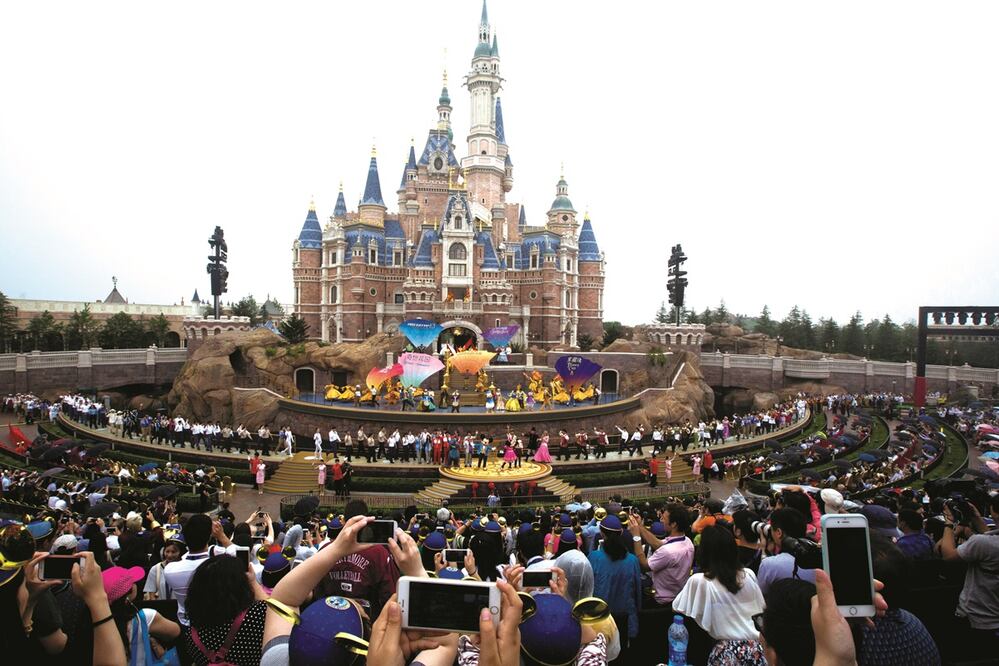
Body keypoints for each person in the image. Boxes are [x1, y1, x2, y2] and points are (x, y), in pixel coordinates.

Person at [672, 525, 767, 665]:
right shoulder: (748, 574)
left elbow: (677, 607)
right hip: (758, 650)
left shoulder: (700, 581)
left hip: (726, 654)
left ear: (704, 552)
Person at [939, 493, 999, 651]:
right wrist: (976, 519)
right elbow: (991, 539)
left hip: (978, 616)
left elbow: (948, 555)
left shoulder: (981, 543)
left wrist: (949, 523)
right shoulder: (987, 542)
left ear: (994, 512)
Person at [183, 554, 267, 666]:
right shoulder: (255, 615)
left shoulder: (192, 635)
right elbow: (277, 611)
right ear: (240, 585)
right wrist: (253, 582)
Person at [587, 515, 642, 655]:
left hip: (600, 618)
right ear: (621, 533)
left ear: (602, 533)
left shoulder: (593, 557)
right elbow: (637, 592)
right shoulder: (632, 560)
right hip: (624, 616)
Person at [628, 504, 694, 608]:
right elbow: (658, 543)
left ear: (673, 524)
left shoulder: (668, 552)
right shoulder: (687, 541)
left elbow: (644, 565)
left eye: (664, 518)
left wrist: (636, 536)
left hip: (661, 601)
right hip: (677, 595)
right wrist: (640, 526)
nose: (661, 520)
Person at [757, 508, 818, 595]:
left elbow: (762, 595)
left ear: (779, 533)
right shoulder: (818, 558)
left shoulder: (769, 564)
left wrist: (763, 550)